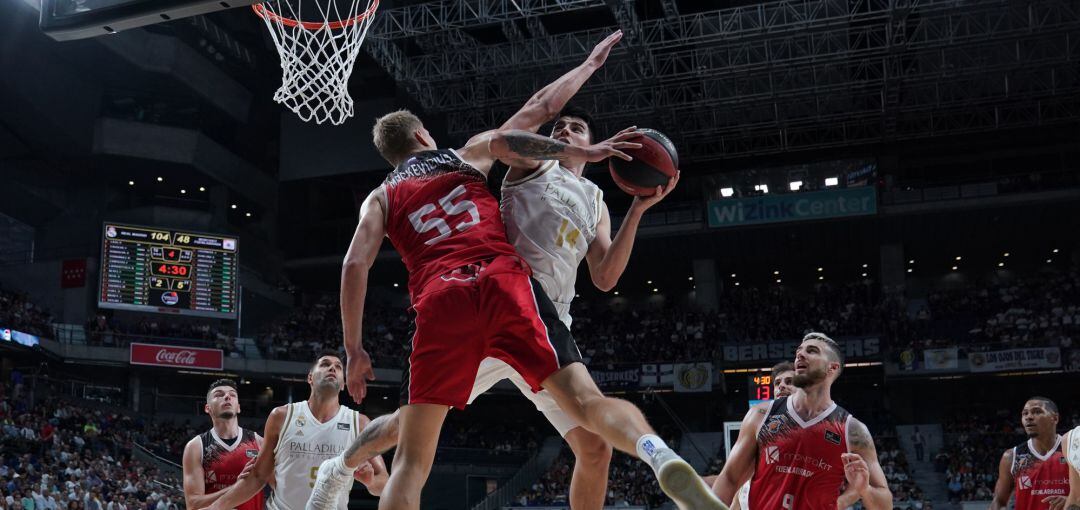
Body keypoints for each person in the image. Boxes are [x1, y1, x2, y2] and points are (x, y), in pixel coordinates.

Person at [309, 30, 683, 510]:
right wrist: (587, 77)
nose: (565, 132)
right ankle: (340, 466)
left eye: (577, 129)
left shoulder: (594, 202)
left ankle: (341, 467)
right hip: (512, 294)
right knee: (409, 430)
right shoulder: (497, 159)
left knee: (589, 447)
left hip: (493, 306)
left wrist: (354, 348)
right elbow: (540, 107)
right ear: (424, 135)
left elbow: (355, 262)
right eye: (561, 131)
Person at [712, 333, 893, 510]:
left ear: (832, 367)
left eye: (812, 351)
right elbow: (729, 478)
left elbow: (885, 504)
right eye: (799, 350)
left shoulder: (854, 430)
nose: (800, 354)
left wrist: (865, 490)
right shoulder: (761, 414)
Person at [201, 354, 387, 510]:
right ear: (310, 378)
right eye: (325, 364)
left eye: (338, 367)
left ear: (342, 384)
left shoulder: (360, 423)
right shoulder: (281, 416)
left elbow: (384, 483)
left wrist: (370, 481)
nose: (332, 368)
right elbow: (258, 476)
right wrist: (214, 508)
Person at [182, 379, 264, 510]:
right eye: (219, 395)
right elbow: (193, 504)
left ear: (238, 407)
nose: (227, 396)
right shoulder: (196, 447)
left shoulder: (259, 442)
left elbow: (280, 485)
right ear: (207, 408)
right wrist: (238, 487)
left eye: (232, 395)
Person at [989, 397, 1068, 510]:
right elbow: (999, 501)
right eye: (1024, 413)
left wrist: (1072, 500)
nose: (1028, 417)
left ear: (1055, 418)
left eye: (1037, 411)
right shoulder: (1012, 456)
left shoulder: (1072, 450)